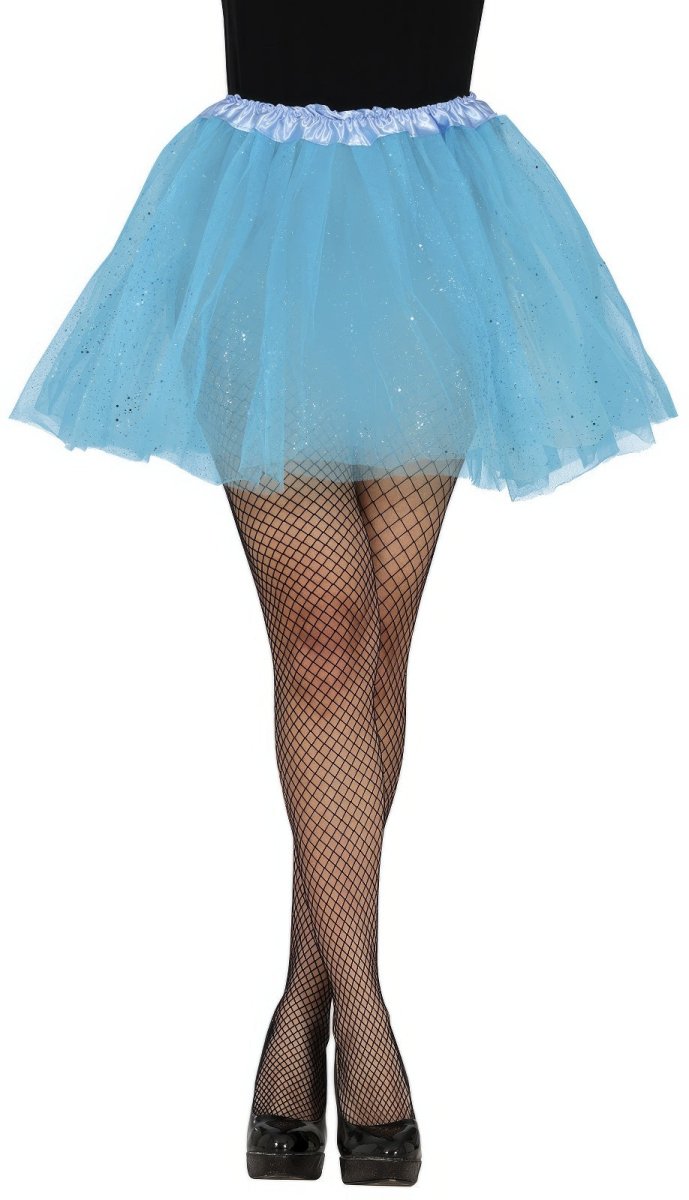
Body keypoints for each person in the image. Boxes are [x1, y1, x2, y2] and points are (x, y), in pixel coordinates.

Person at [8, 0, 677, 1186]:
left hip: (433, 220)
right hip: (259, 217)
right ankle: (360, 1022)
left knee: (378, 649)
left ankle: (297, 1004)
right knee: (324, 637)